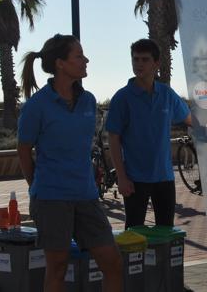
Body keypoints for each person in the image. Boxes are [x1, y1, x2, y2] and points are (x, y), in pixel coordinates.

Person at [17, 34, 123, 291]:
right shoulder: (37, 105)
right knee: (58, 268)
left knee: (113, 263)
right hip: (51, 198)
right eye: (79, 55)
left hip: (86, 196)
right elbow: (23, 151)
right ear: (60, 64)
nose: (86, 60)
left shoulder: (88, 101)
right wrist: (36, 186)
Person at [106, 38, 191, 228]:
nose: (139, 64)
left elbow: (190, 120)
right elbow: (113, 137)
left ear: (156, 63)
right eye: (135, 59)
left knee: (165, 232)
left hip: (164, 177)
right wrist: (121, 177)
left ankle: (162, 260)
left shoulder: (167, 94)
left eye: (144, 60)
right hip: (134, 179)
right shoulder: (122, 98)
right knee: (134, 232)